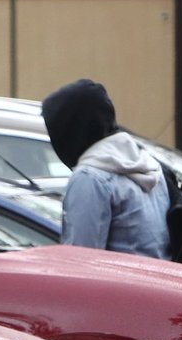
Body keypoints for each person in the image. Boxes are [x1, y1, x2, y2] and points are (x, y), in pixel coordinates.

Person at [41, 79, 171, 259]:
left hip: (120, 286)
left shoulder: (90, 178)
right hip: (156, 284)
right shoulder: (149, 167)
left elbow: (81, 263)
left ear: (72, 129)